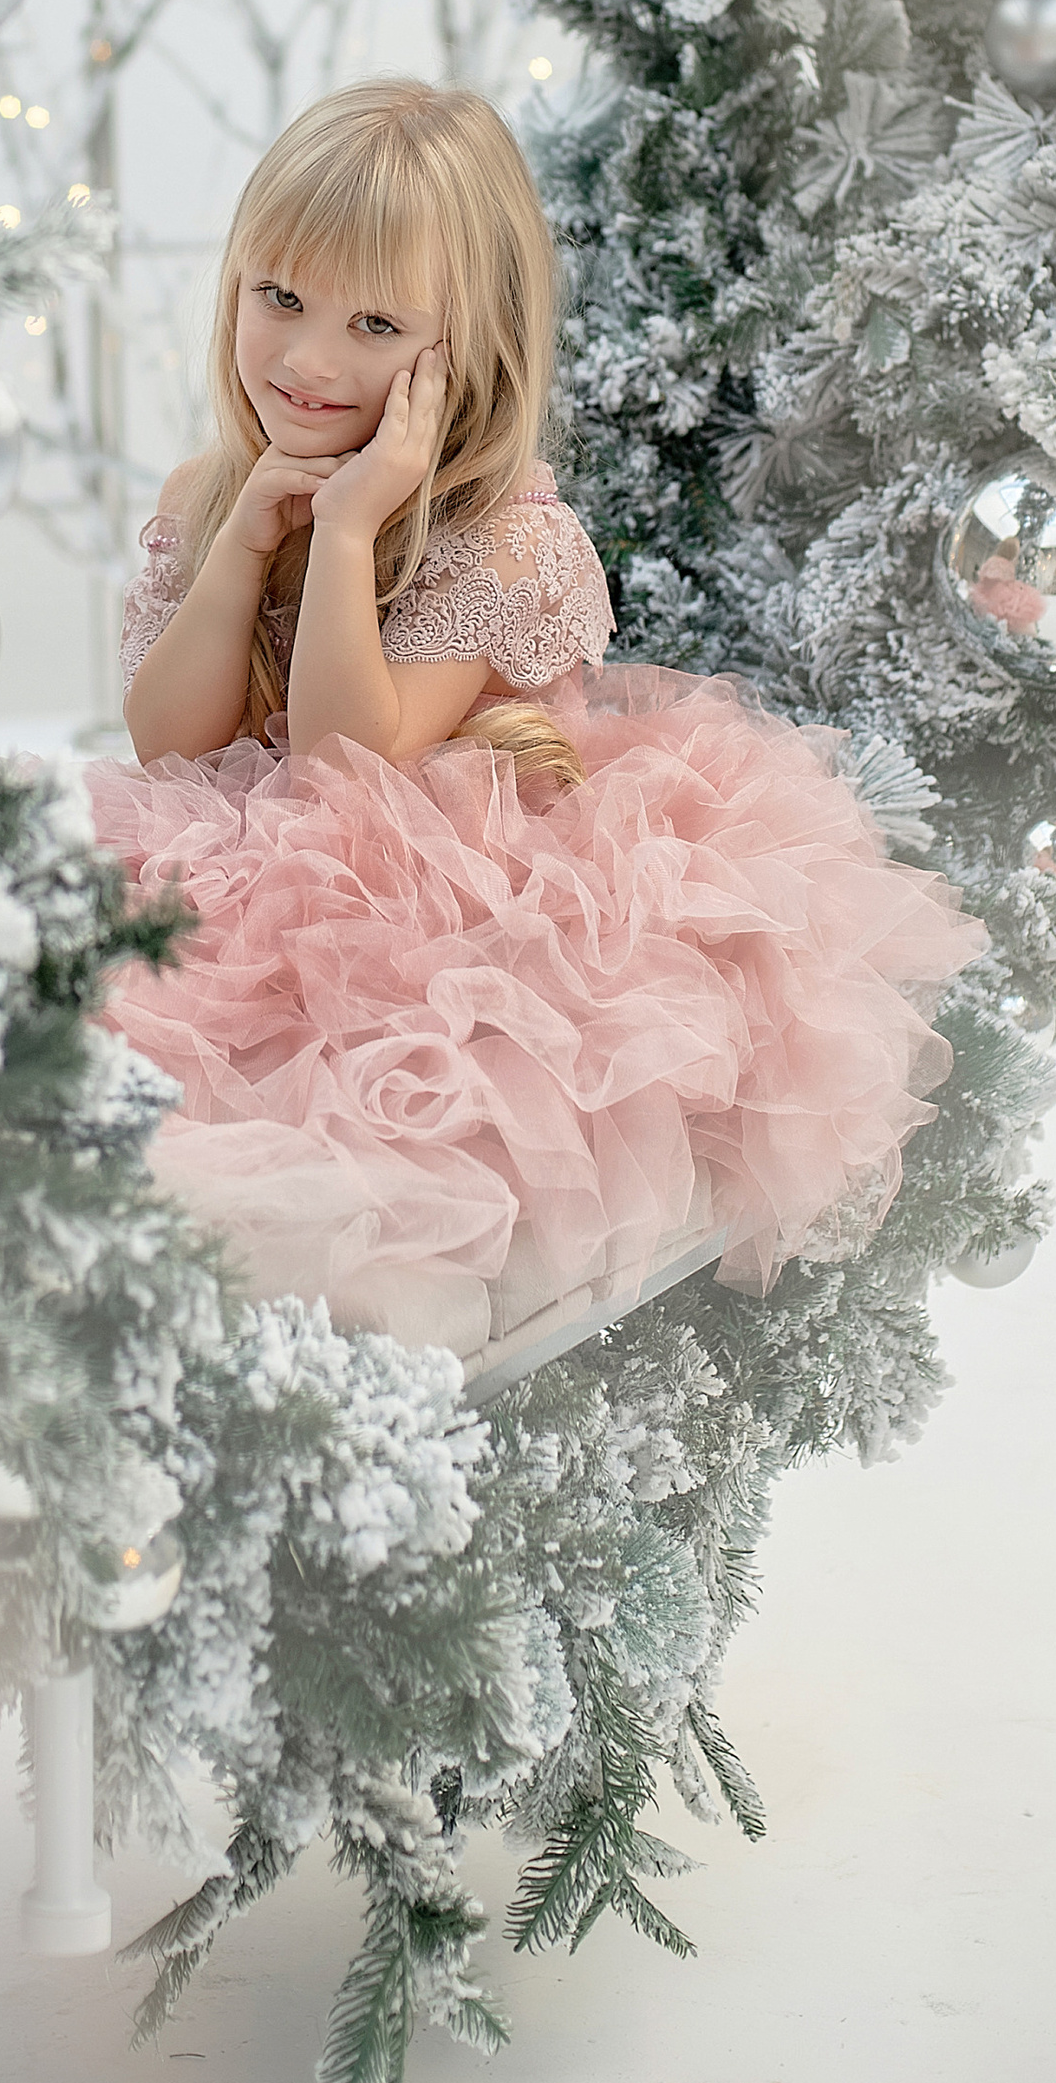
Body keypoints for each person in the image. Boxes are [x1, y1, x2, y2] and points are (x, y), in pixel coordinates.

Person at [93, 81, 980, 1366]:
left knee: (354, 1144)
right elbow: (170, 750)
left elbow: (349, 766)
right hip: (247, 876)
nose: (310, 360)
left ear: (467, 347)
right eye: (279, 298)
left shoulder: (503, 543)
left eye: (377, 324)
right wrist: (238, 545)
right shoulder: (212, 491)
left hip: (445, 911)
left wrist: (346, 532)